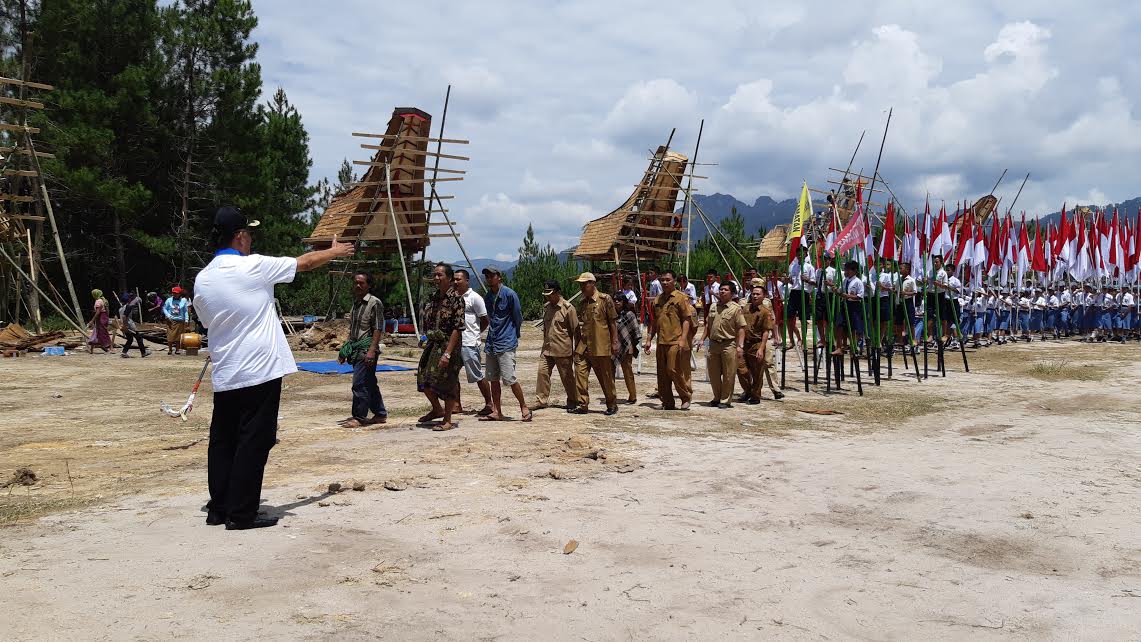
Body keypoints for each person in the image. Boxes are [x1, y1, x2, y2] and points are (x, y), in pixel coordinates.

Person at [194, 205, 353, 529]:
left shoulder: (203, 278)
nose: (251, 239)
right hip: (259, 369)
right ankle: (241, 514)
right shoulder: (254, 267)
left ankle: (219, 508)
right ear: (240, 237)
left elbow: (208, 321)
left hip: (226, 371)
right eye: (249, 233)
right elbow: (304, 263)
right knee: (254, 440)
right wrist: (335, 251)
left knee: (223, 441)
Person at [418, 263, 466, 431]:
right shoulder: (433, 297)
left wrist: (447, 353)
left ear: (450, 278)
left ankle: (447, 419)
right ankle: (437, 409)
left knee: (447, 380)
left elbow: (457, 328)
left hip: (448, 345)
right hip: (433, 343)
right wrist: (425, 337)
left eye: (440, 275)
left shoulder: (456, 298)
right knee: (424, 378)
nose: (436, 278)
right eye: (435, 275)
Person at [337, 272, 387, 428]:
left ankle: (359, 417)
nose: (358, 285)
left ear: (369, 285)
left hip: (366, 349)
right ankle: (380, 414)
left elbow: (378, 328)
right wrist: (345, 350)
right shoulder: (356, 304)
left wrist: (372, 351)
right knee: (369, 382)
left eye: (361, 283)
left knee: (359, 384)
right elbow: (353, 329)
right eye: (356, 283)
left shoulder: (374, 303)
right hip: (356, 348)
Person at [480, 265, 530, 422]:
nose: (489, 278)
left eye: (491, 275)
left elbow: (518, 316)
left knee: (509, 378)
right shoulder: (488, 297)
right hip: (492, 342)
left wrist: (515, 336)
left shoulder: (509, 294)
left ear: (499, 277)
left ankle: (524, 407)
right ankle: (497, 411)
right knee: (493, 379)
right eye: (487, 276)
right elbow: (487, 318)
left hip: (506, 341)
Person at [644, 270, 694, 410]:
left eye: (668, 280)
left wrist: (683, 339)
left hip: (675, 341)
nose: (665, 282)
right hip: (661, 342)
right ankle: (667, 402)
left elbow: (686, 319)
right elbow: (654, 322)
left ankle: (685, 397)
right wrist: (649, 339)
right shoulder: (657, 300)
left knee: (673, 369)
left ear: (674, 281)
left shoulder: (681, 298)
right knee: (662, 373)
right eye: (662, 280)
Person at [572, 271, 619, 415]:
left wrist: (614, 341)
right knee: (580, 373)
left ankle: (611, 404)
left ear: (592, 284)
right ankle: (582, 404)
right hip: (585, 344)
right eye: (580, 284)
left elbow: (612, 322)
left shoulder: (605, 299)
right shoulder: (582, 302)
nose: (581, 287)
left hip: (601, 344)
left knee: (605, 376)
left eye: (584, 284)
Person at [530, 280, 578, 412]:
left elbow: (576, 330)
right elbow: (546, 328)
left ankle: (573, 400)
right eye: (546, 294)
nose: (548, 297)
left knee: (567, 377)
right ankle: (541, 400)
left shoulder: (568, 309)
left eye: (550, 294)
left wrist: (578, 350)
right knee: (542, 373)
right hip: (547, 349)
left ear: (558, 292)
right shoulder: (548, 307)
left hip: (562, 350)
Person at [699, 282, 746, 408]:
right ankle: (717, 397)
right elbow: (708, 325)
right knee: (713, 374)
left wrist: (740, 346)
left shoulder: (736, 308)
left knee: (729, 374)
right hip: (714, 344)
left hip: (728, 344)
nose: (722, 291)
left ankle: (725, 400)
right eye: (721, 289)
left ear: (732, 293)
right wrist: (702, 339)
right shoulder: (713, 307)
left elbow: (741, 328)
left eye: (725, 290)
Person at [454, 269, 493, 417]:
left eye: (459, 279)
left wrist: (475, 333)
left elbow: (484, 320)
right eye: (455, 279)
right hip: (454, 343)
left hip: (469, 343)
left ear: (466, 281)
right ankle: (457, 404)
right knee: (452, 375)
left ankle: (489, 403)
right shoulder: (452, 297)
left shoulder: (475, 298)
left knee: (476, 374)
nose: (456, 282)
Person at [737, 284, 782, 402]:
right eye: (753, 294)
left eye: (758, 294)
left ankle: (755, 396)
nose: (755, 296)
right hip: (744, 343)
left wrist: (761, 348)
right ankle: (747, 391)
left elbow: (766, 331)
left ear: (764, 296)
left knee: (757, 372)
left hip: (757, 343)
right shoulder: (745, 308)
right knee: (741, 370)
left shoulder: (765, 312)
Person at [832, 260, 865, 355]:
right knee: (839, 325)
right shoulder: (845, 280)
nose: (845, 272)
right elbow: (841, 291)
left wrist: (849, 296)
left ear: (854, 271)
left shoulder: (858, 282)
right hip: (844, 304)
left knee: (853, 327)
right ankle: (840, 346)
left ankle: (854, 346)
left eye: (847, 270)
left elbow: (860, 296)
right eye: (845, 270)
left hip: (854, 306)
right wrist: (836, 290)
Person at [613, 295, 641, 404]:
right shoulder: (611, 315)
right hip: (613, 346)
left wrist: (633, 346)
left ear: (624, 302)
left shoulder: (630, 314)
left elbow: (636, 331)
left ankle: (632, 396)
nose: (616, 302)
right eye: (614, 300)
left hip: (627, 346)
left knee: (627, 372)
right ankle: (611, 396)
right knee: (610, 372)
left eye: (619, 300)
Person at [119, 291, 148, 358]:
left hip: (125, 325)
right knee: (139, 338)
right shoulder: (128, 307)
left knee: (130, 339)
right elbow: (124, 316)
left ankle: (124, 352)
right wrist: (125, 326)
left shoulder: (120, 308)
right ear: (129, 299)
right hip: (129, 325)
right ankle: (143, 352)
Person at [163, 286, 191, 355]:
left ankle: (177, 350)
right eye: (174, 293)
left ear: (180, 294)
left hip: (180, 320)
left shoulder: (183, 300)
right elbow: (164, 308)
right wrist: (168, 316)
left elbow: (185, 311)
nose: (175, 294)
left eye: (176, 293)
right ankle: (170, 349)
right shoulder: (169, 300)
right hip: (171, 320)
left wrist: (187, 319)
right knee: (170, 335)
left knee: (178, 336)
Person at [87, 289, 113, 353]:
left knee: (101, 333)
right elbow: (107, 311)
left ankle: (109, 347)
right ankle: (105, 347)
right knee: (100, 332)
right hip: (104, 317)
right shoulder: (104, 300)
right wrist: (107, 318)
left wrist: (92, 320)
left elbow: (98, 312)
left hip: (100, 318)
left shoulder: (98, 301)